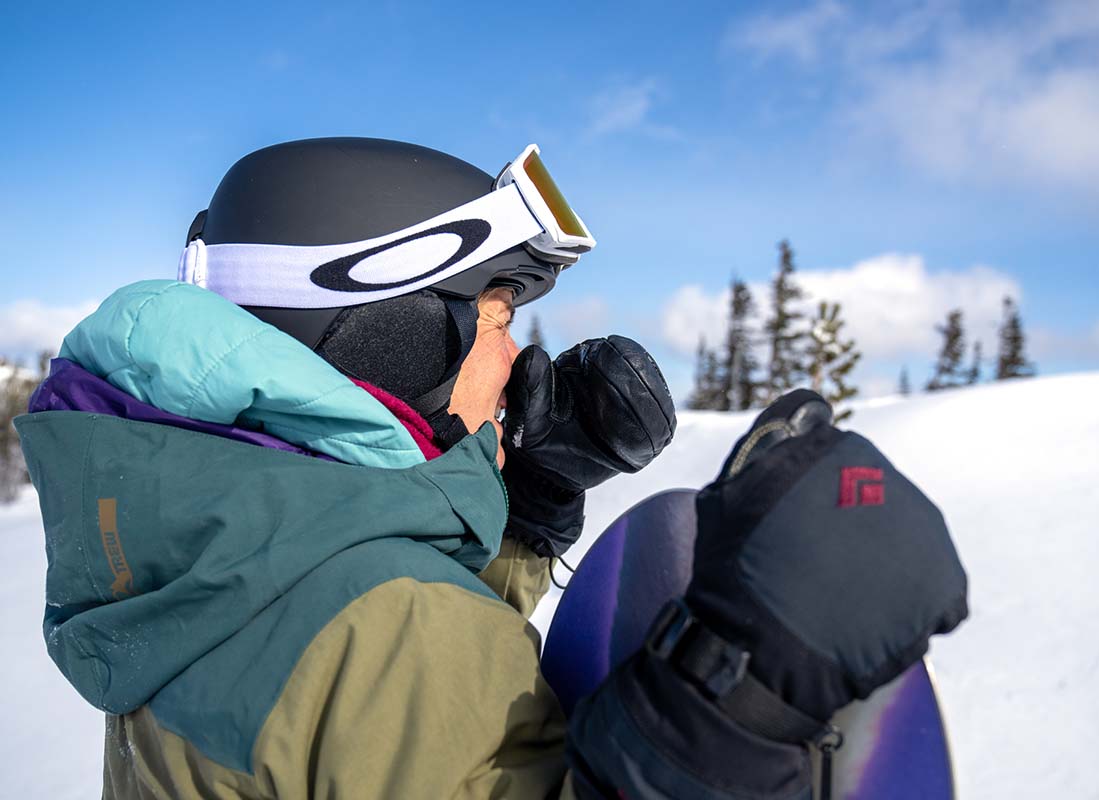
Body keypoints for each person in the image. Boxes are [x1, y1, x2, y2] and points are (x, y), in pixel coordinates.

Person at [16, 138, 967, 799]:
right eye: (499, 317)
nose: (514, 356)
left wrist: (527, 510)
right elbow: (395, 662)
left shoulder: (187, 534)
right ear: (388, 335)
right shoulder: (397, 625)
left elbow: (364, 716)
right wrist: (727, 717)